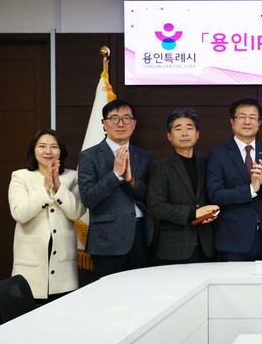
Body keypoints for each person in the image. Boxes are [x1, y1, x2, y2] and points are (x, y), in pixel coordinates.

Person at [8, 129, 86, 302]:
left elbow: (77, 212)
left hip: (64, 267)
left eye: (54, 146)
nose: (48, 151)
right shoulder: (21, 176)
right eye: (42, 146)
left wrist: (58, 188)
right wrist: (45, 189)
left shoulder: (72, 177)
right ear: (34, 150)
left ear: (61, 151)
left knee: (62, 313)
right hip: (30, 265)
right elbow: (19, 214)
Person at [78, 99, 153, 279]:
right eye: (114, 118)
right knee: (110, 292)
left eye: (126, 118)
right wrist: (115, 175)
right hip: (107, 238)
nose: (120, 123)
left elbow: (148, 195)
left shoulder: (144, 155)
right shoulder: (89, 156)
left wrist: (130, 180)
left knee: (141, 290)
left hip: (140, 236)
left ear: (134, 124)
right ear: (104, 124)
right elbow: (88, 198)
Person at [206, 96, 262, 261]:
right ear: (232, 122)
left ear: (259, 123)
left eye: (252, 117)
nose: (247, 121)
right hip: (234, 239)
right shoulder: (218, 154)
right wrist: (250, 190)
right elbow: (215, 194)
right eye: (242, 116)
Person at [148, 109, 218, 264]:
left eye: (189, 128)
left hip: (208, 246)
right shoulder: (160, 167)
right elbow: (156, 206)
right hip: (175, 248)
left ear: (197, 134)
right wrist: (193, 213)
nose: (184, 133)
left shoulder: (209, 164)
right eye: (178, 129)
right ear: (169, 136)